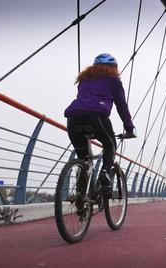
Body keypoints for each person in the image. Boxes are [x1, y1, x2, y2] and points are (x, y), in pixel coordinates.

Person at [64, 53, 136, 199]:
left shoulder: (84, 80)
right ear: (113, 68)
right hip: (96, 116)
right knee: (110, 145)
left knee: (84, 160)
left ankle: (80, 196)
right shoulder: (113, 80)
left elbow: (84, 99)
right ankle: (104, 174)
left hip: (73, 118)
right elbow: (121, 105)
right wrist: (129, 128)